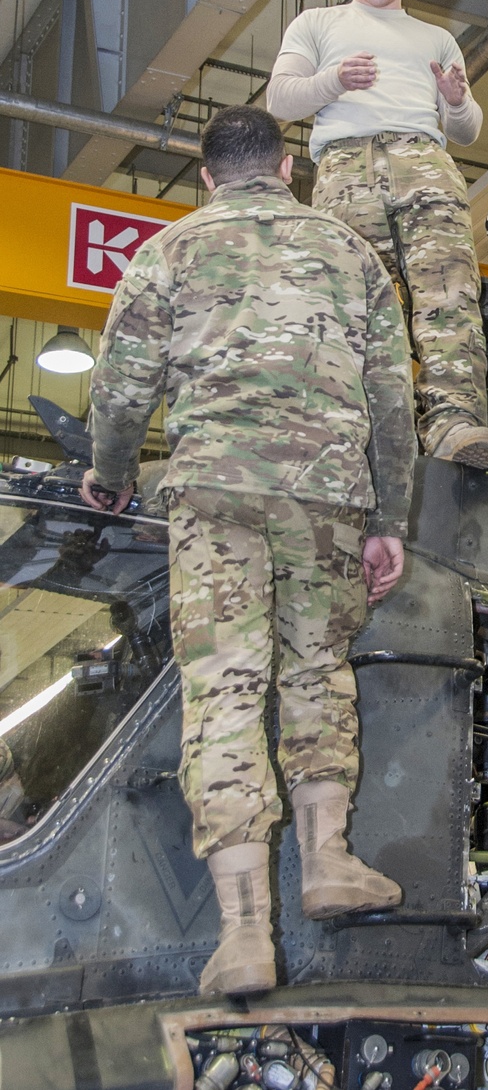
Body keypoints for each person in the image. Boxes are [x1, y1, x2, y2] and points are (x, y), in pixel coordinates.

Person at [80, 105, 416, 998]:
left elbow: (121, 388)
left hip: (214, 491)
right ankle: (329, 861)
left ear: (205, 176)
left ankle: (242, 935)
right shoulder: (351, 253)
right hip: (328, 493)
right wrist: (393, 521)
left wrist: (110, 476)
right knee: (317, 669)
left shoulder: (169, 250)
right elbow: (392, 401)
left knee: (224, 687)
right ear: (290, 165)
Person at [266, 0, 488, 469]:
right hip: (346, 170)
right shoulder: (316, 24)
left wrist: (458, 97)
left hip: (424, 162)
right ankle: (354, 432)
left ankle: (453, 424)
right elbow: (279, 100)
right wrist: (335, 81)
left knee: (449, 295)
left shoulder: (437, 39)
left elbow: (466, 131)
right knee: (354, 306)